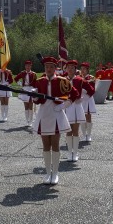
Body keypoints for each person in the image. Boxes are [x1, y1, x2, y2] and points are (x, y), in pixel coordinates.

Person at [32, 56, 78, 185]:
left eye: (51, 66)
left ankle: (56, 173)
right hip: (44, 114)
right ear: (44, 68)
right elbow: (39, 100)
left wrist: (63, 105)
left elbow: (74, 94)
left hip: (56, 114)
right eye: (47, 67)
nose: (49, 69)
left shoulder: (62, 81)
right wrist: (34, 97)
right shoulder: (40, 81)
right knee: (46, 145)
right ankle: (48, 173)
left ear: (55, 68)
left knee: (55, 144)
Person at [64, 60, 94, 162]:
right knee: (68, 130)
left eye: (72, 67)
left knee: (75, 130)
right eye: (69, 67)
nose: (70, 69)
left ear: (75, 69)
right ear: (66, 69)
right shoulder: (62, 80)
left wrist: (82, 97)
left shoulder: (80, 80)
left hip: (76, 106)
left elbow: (91, 90)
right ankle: (69, 153)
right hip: (67, 106)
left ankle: (75, 153)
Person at [14, 60, 38, 127]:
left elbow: (36, 83)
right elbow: (16, 78)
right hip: (24, 89)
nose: (27, 67)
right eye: (26, 65)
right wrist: (20, 83)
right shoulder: (22, 73)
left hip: (31, 89)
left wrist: (35, 90)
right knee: (26, 106)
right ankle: (27, 120)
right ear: (25, 66)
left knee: (31, 105)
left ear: (31, 66)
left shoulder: (33, 74)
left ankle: (30, 121)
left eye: (29, 65)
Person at [79, 62, 97, 142]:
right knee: (81, 117)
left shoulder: (91, 78)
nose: (82, 70)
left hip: (88, 99)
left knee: (88, 117)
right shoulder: (78, 78)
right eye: (81, 69)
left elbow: (92, 90)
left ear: (87, 70)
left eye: (84, 69)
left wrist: (84, 91)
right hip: (81, 100)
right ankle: (84, 135)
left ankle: (89, 135)